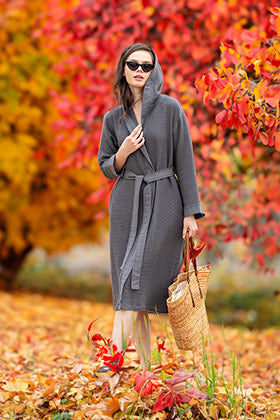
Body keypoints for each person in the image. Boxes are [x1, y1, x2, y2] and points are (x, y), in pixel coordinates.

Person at [98, 43, 205, 367]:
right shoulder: (114, 118)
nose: (140, 71)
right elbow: (106, 167)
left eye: (147, 65)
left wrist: (190, 212)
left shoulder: (171, 109)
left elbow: (184, 161)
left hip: (164, 204)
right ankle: (148, 374)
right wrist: (125, 151)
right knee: (131, 290)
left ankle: (110, 368)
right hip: (126, 203)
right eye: (134, 65)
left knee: (137, 285)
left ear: (154, 70)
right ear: (124, 69)